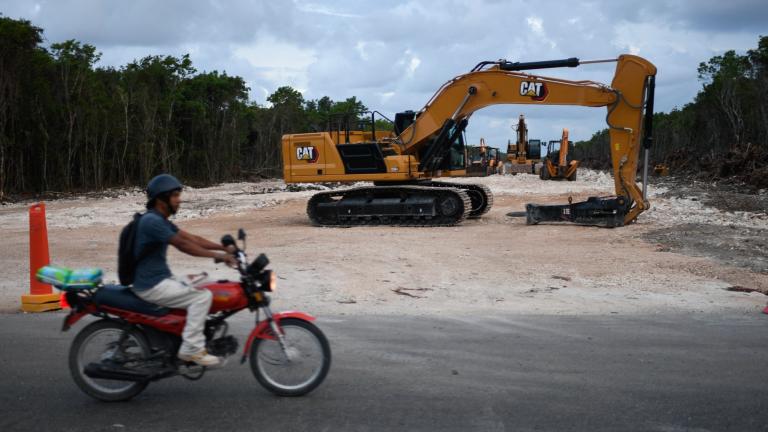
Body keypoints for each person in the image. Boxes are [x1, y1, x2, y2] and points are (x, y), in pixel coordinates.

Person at [131, 174, 238, 367]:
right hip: (151, 285)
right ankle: (191, 349)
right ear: (161, 199)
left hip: (159, 279)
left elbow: (192, 238)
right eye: (174, 196)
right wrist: (221, 257)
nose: (179, 200)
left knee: (204, 280)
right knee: (202, 297)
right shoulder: (152, 222)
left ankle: (186, 335)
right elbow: (184, 246)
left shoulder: (159, 219)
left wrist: (223, 249)